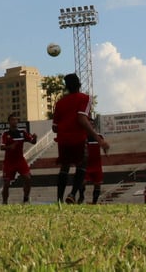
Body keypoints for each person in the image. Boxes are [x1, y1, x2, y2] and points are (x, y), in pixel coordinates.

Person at [52, 73, 109, 204]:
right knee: (82, 164)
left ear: (66, 87)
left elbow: (54, 128)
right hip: (77, 138)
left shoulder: (60, 103)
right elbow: (81, 118)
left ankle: (59, 200)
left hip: (62, 140)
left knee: (64, 167)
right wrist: (99, 139)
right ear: (79, 84)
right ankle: (72, 194)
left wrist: (64, 126)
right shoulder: (85, 98)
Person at [0, 113, 36, 205]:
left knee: (28, 178)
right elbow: (1, 147)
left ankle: (26, 199)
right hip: (9, 162)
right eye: (12, 119)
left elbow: (33, 142)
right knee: (6, 183)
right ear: (9, 122)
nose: (15, 121)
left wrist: (35, 138)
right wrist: (10, 147)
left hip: (20, 160)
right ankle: (4, 202)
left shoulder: (22, 132)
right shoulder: (5, 134)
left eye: (16, 119)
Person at [82, 133, 106, 204]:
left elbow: (104, 146)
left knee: (97, 184)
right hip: (86, 164)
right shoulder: (83, 135)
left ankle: (94, 202)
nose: (91, 123)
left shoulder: (99, 136)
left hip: (97, 165)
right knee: (82, 182)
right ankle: (81, 197)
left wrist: (106, 151)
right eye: (89, 121)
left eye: (92, 122)